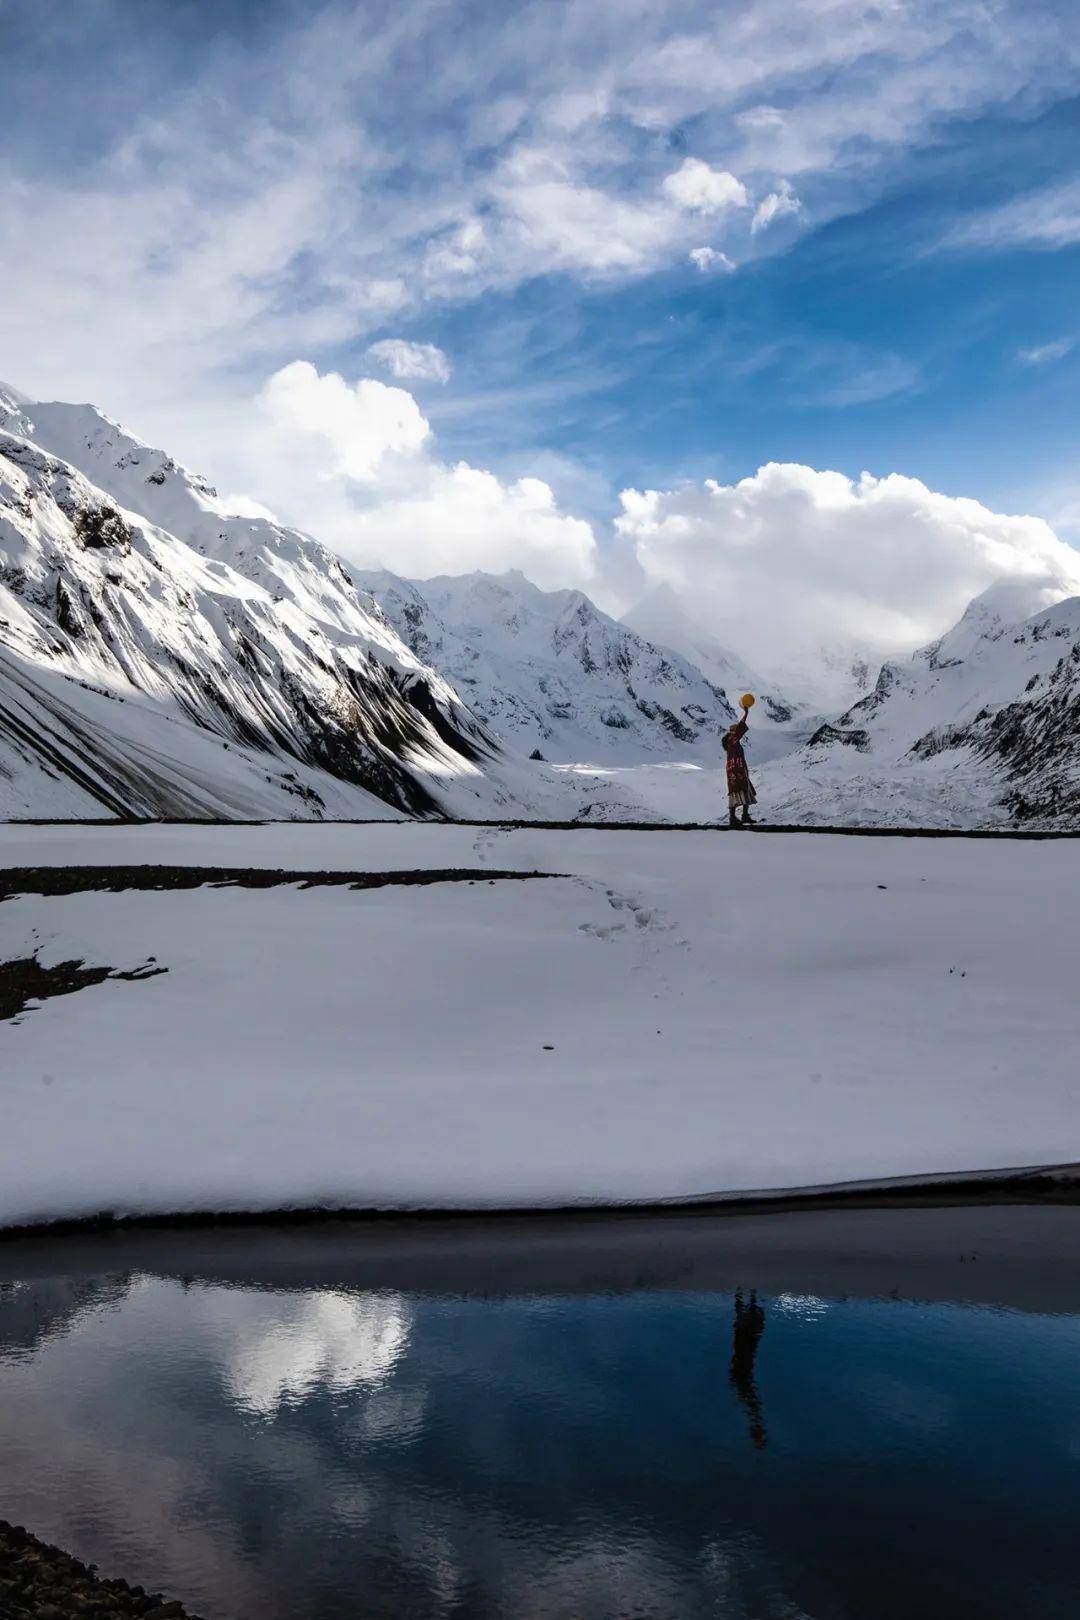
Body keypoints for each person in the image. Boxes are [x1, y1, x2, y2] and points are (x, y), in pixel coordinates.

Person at [722, 703, 757, 828]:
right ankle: (734, 817)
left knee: (742, 790)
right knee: (738, 790)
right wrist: (746, 713)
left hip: (737, 770)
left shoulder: (731, 742)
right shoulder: (732, 740)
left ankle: (742, 815)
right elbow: (741, 728)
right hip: (736, 771)